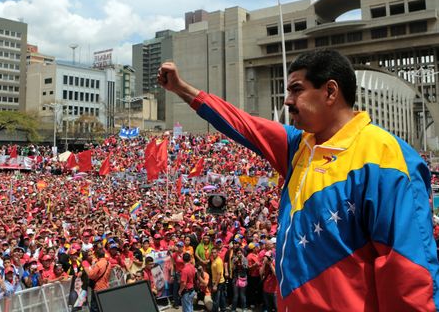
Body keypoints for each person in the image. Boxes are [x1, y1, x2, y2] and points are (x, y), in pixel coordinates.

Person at [158, 49, 439, 310]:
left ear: (330, 91)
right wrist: (181, 88)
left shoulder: (387, 159)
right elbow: (242, 123)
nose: (287, 101)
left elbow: (409, 275)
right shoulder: (299, 146)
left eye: (296, 90)